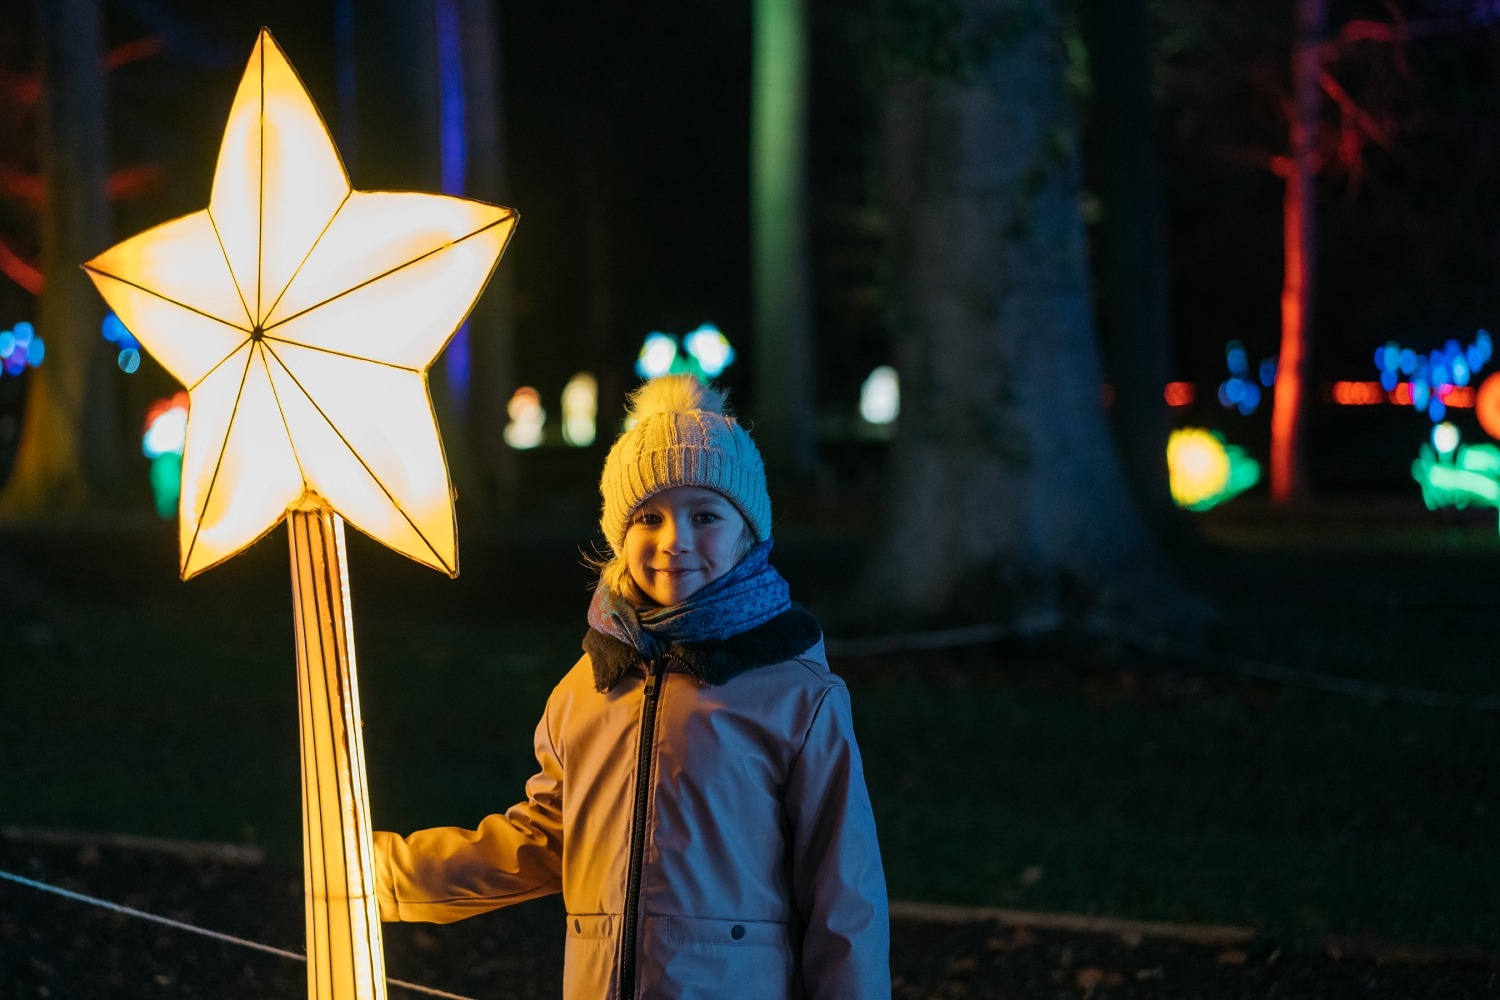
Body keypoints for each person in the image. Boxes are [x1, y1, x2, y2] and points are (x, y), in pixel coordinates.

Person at [374, 374, 890, 1000]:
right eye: (649, 517)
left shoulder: (797, 697)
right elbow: (542, 840)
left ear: (747, 531)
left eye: (705, 515)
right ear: (620, 535)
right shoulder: (585, 691)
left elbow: (844, 898)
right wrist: (384, 876)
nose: (675, 541)